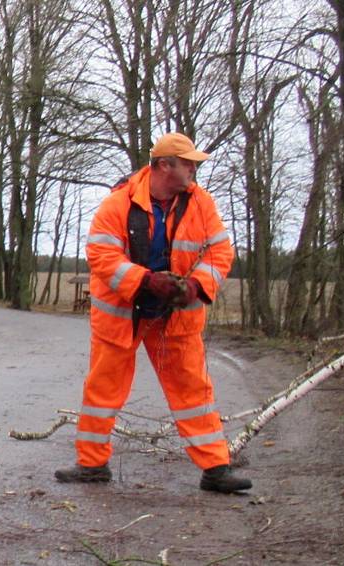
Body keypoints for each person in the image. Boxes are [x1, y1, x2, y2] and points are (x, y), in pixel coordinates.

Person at [55, 132, 251, 493]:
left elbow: (220, 253)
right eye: (188, 163)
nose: (194, 169)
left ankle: (216, 469)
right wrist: (145, 282)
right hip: (122, 314)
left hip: (175, 316)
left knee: (193, 390)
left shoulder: (201, 203)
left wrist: (195, 286)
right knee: (103, 389)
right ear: (164, 166)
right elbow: (101, 257)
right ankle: (92, 465)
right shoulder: (118, 204)